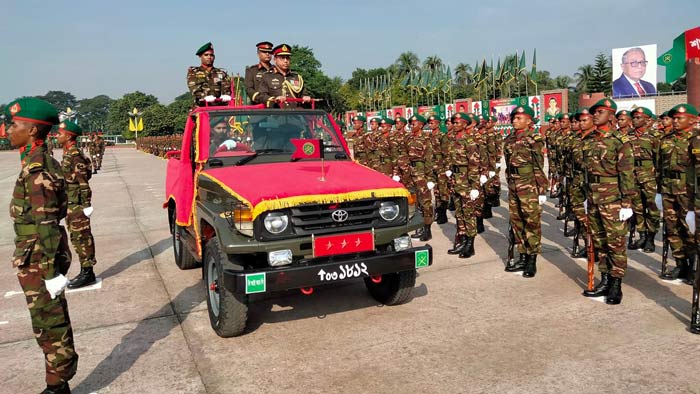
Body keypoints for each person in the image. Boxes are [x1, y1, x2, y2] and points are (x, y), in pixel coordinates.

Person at [6, 97, 78, 394]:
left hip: (39, 256)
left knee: (50, 322)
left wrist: (50, 272)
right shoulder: (33, 162)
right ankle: (57, 380)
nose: (8, 130)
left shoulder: (39, 171)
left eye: (14, 124)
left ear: (33, 131)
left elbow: (46, 224)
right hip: (33, 254)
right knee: (44, 321)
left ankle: (57, 384)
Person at [581, 98, 635, 304]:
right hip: (594, 197)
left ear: (611, 117)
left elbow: (627, 173)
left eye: (600, 112)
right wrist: (586, 196)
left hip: (613, 199)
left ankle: (616, 284)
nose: (595, 115)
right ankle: (604, 278)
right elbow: (586, 172)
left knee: (616, 243)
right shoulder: (589, 140)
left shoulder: (619, 141)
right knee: (600, 241)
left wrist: (627, 203)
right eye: (594, 112)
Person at [502, 105, 547, 277]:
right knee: (517, 221)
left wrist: (541, 190)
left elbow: (538, 166)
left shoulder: (534, 139)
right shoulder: (509, 139)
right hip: (514, 185)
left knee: (531, 222)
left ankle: (532, 259)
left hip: (529, 186)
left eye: (519, 118)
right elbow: (507, 163)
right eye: (513, 118)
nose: (515, 120)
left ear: (529, 121)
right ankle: (522, 255)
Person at [57, 121, 99, 289]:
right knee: (76, 238)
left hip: (78, 205)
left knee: (82, 237)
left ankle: (88, 272)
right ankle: (85, 269)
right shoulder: (69, 154)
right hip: (71, 203)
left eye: (60, 133)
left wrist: (86, 204)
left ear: (68, 136)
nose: (58, 136)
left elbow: (83, 182)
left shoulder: (74, 156)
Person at [658, 103, 697, 283]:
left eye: (679, 118)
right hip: (668, 188)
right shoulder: (666, 139)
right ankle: (680, 264)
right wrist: (659, 190)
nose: (675, 121)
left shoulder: (696, 140)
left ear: (693, 120)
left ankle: (694, 266)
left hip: (688, 191)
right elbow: (660, 166)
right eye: (673, 118)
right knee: (672, 227)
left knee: (689, 229)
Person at [626, 107, 660, 252]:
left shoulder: (655, 136)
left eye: (638, 117)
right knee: (637, 207)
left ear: (647, 119)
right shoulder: (628, 135)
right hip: (633, 175)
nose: (634, 120)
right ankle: (642, 235)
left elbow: (659, 159)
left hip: (650, 176)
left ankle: (651, 238)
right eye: (633, 117)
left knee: (652, 208)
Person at [256, 44, 311, 108]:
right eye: (282, 58)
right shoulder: (267, 77)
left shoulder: (297, 77)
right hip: (276, 115)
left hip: (295, 115)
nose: (285, 61)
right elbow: (261, 96)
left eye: (287, 58)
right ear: (275, 60)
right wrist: (275, 99)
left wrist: (305, 97)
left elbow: (303, 94)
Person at [186, 42, 232, 106]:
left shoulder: (221, 73)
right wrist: (204, 96)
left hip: (219, 108)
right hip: (201, 107)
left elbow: (227, 89)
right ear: (200, 56)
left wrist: (226, 95)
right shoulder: (194, 72)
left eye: (211, 55)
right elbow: (195, 89)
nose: (209, 57)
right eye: (206, 55)